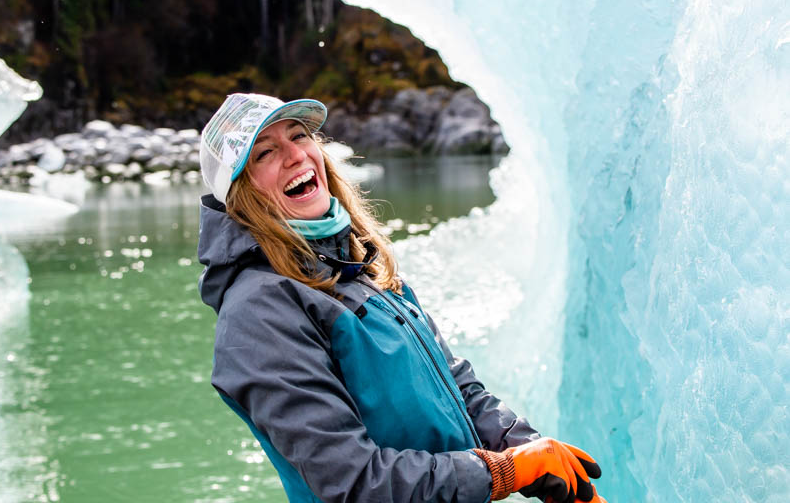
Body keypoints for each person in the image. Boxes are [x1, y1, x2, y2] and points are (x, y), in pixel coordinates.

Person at [197, 93, 607, 503]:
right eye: (265, 153)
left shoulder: (355, 263)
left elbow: (456, 387)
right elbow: (354, 481)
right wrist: (503, 472)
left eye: (299, 135)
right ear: (240, 194)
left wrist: (540, 459)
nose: (295, 156)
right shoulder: (259, 311)